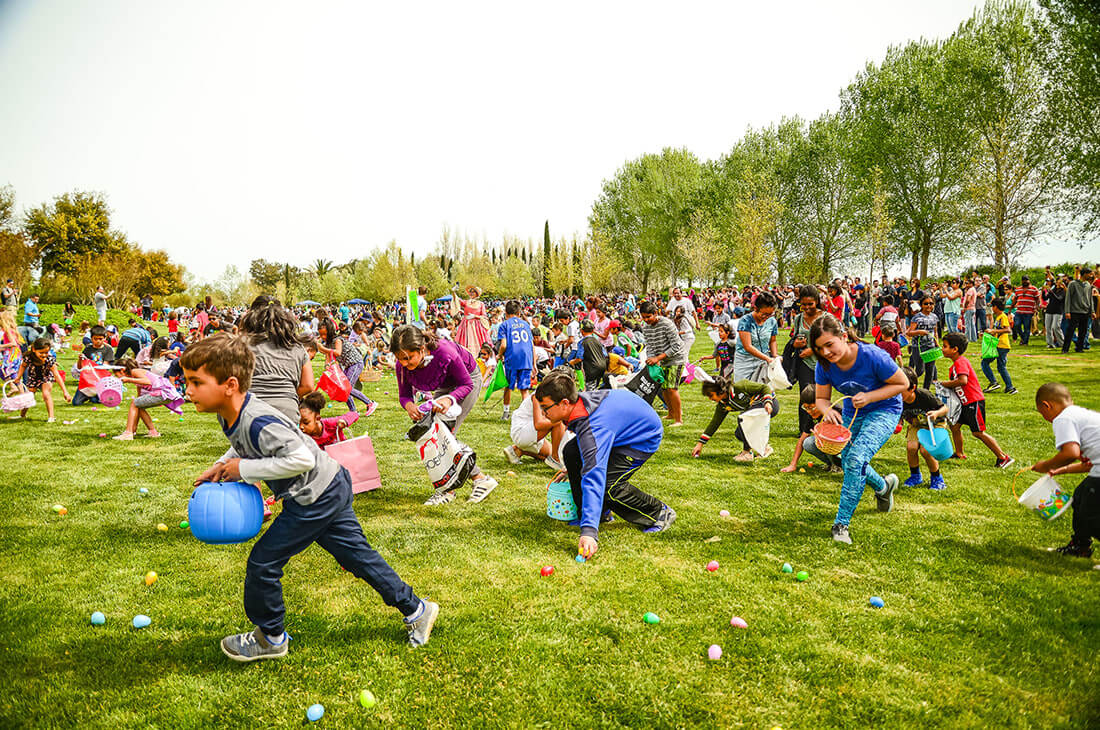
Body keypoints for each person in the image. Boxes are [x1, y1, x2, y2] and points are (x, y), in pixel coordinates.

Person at [180, 334, 438, 660]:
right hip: (330, 483)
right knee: (356, 557)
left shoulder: (258, 420)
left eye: (195, 382)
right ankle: (417, 610)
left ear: (229, 385)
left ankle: (271, 638)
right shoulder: (230, 412)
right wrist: (222, 463)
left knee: (263, 562)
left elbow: (301, 458)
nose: (188, 391)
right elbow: (243, 442)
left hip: (316, 495)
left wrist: (243, 469)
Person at [535, 371, 676, 560]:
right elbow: (587, 448)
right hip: (620, 430)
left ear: (564, 403)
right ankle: (599, 514)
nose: (544, 413)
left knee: (609, 486)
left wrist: (589, 532)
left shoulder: (595, 426)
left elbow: (594, 476)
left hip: (641, 438)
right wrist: (572, 467)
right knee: (571, 452)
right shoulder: (579, 406)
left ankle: (658, 512)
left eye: (546, 408)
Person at [810, 314, 905, 545]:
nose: (825, 353)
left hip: (885, 409)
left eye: (829, 345)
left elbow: (903, 383)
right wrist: (826, 411)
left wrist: (871, 396)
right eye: (819, 348)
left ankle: (841, 524)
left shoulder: (873, 356)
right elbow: (822, 398)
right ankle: (883, 487)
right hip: (854, 413)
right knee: (850, 459)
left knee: (855, 459)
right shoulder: (824, 365)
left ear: (843, 336)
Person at [390, 325, 498, 504]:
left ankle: (450, 490)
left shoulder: (445, 352)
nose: (404, 364)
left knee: (445, 435)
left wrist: (450, 399)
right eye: (400, 359)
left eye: (409, 358)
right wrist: (409, 405)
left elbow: (466, 384)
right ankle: (479, 480)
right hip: (445, 385)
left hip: (467, 380)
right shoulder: (402, 365)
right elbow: (404, 395)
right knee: (436, 435)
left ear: (422, 349)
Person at [1031, 382, 1100, 559]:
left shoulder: (1063, 418)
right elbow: (1088, 464)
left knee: (1090, 516)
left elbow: (1071, 452)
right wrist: (1061, 471)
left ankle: (1081, 544)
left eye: (1042, 413)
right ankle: (1080, 546)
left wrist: (1046, 466)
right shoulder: (1079, 414)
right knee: (1080, 497)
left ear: (1047, 405)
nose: (1045, 417)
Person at [939, 332, 1014, 468]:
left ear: (955, 349)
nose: (942, 349)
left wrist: (944, 383)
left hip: (974, 402)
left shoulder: (961, 362)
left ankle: (1003, 457)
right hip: (964, 403)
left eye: (945, 346)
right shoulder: (955, 364)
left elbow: (962, 380)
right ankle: (959, 453)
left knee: (978, 432)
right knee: (955, 426)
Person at [235, 297, 316, 422]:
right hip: (288, 413)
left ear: (251, 318)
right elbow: (308, 385)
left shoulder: (241, 345)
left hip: (249, 412)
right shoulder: (297, 348)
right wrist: (287, 395)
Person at [691, 376, 778, 463]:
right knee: (739, 434)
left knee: (743, 419)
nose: (710, 399)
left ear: (720, 391)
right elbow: (715, 423)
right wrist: (700, 444)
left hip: (769, 405)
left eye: (710, 395)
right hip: (756, 410)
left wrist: (768, 402)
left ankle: (747, 453)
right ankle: (764, 448)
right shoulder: (723, 404)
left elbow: (765, 388)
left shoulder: (740, 386)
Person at [898, 366, 949, 491]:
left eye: (900, 389)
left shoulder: (924, 395)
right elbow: (899, 416)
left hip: (934, 424)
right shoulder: (897, 400)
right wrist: (898, 424)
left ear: (912, 388)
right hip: (916, 425)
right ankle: (915, 476)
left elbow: (945, 408)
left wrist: (936, 413)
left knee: (926, 451)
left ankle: (937, 478)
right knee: (911, 447)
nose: (896, 392)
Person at [639, 300, 686, 426]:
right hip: (662, 360)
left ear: (655, 313)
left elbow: (676, 346)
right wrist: (650, 359)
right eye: (643, 317)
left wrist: (658, 358)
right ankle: (671, 414)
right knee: (664, 388)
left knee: (671, 388)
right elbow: (649, 346)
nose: (646, 320)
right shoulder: (646, 328)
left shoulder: (667, 324)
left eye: (648, 317)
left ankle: (678, 419)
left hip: (676, 358)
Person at [316, 318, 377, 416]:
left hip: (355, 363)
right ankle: (353, 411)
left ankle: (370, 403)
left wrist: (323, 348)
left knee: (346, 388)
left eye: (324, 334)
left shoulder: (338, 340)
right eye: (321, 334)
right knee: (342, 388)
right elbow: (328, 356)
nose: (322, 337)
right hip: (348, 365)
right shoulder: (328, 343)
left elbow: (338, 352)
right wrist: (327, 366)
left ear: (330, 332)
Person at [502, 392, 569, 471]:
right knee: (558, 421)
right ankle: (556, 459)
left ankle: (517, 451)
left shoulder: (553, 394)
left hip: (530, 431)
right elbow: (539, 424)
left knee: (548, 454)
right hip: (522, 431)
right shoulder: (539, 395)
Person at [781, 385, 840, 473]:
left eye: (811, 408)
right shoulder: (811, 416)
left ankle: (842, 464)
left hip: (844, 447)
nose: (808, 411)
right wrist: (793, 464)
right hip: (829, 446)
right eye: (806, 408)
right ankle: (833, 464)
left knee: (825, 439)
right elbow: (802, 440)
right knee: (808, 443)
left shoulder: (835, 412)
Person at [15, 337, 70, 421]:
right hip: (34, 377)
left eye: (46, 352)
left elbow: (57, 375)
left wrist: (65, 392)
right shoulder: (29, 357)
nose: (44, 355)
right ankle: (22, 415)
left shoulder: (49, 360)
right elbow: (23, 366)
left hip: (46, 377)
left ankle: (51, 417)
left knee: (46, 394)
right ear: (33, 349)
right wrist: (18, 377)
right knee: (29, 396)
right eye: (41, 352)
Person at [496, 300, 534, 421]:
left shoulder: (504, 325)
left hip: (512, 357)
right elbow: (532, 344)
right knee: (524, 389)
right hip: (526, 358)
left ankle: (506, 413)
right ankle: (527, 416)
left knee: (508, 386)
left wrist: (499, 355)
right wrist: (533, 362)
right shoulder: (526, 324)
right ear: (518, 312)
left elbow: (503, 345)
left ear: (506, 313)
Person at [733, 291, 779, 382]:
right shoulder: (745, 321)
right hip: (745, 361)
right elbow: (748, 346)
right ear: (755, 308)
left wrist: (774, 356)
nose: (767, 317)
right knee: (743, 391)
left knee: (763, 391)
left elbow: (772, 341)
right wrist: (767, 358)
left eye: (771, 314)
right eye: (765, 314)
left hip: (764, 361)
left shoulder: (772, 321)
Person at [981, 298, 1017, 395]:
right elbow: (998, 330)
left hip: (1002, 345)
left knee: (985, 363)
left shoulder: (1002, 316)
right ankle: (1010, 387)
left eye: (992, 306)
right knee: (1001, 367)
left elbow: (1008, 330)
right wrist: (989, 332)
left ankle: (994, 382)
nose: (992, 308)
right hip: (1000, 345)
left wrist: (994, 331)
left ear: (995, 307)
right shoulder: (998, 317)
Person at [906, 296, 940, 389]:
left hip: (931, 346)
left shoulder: (934, 317)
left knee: (930, 371)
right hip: (918, 347)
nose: (929, 305)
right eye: (926, 303)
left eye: (931, 303)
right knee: (920, 370)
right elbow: (909, 332)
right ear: (921, 305)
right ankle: (908, 383)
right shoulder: (917, 317)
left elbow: (935, 331)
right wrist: (919, 332)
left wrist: (937, 342)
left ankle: (926, 391)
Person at [1062, 267, 1095, 353]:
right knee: (1070, 331)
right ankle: (1065, 349)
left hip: (1085, 312)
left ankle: (1079, 348)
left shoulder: (1088, 285)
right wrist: (1067, 311)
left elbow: (1090, 299)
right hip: (1074, 311)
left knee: (1083, 332)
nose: (1091, 276)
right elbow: (1068, 298)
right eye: (1089, 274)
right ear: (1084, 274)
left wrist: (1092, 311)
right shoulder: (1073, 284)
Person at [452, 285, 489, 358]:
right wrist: (453, 292)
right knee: (464, 343)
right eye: (470, 292)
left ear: (477, 294)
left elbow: (484, 316)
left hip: (476, 327)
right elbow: (457, 300)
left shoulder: (481, 304)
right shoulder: (466, 302)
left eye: (473, 292)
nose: (471, 293)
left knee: (478, 344)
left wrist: (475, 316)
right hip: (465, 326)